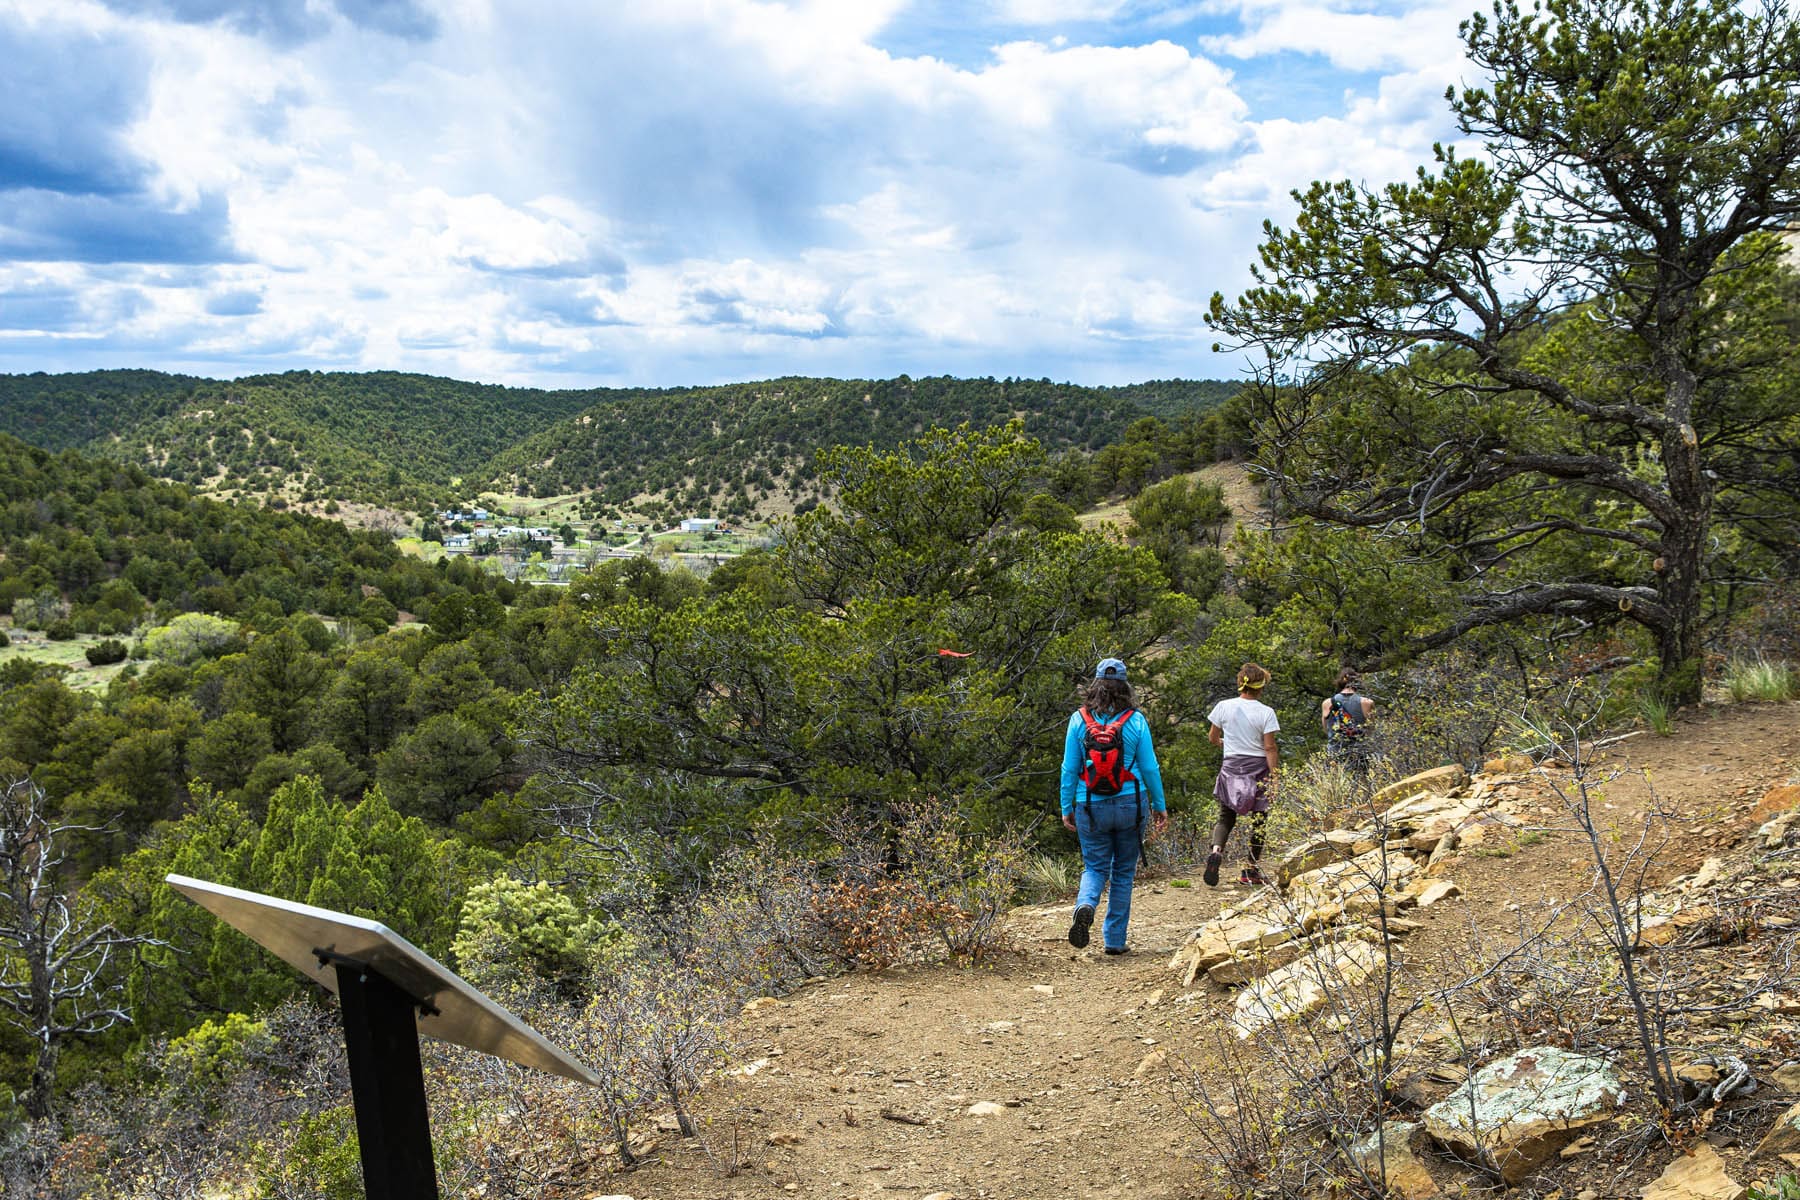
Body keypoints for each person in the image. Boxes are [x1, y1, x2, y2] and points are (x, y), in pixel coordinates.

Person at [1061, 657, 1168, 955]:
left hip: (1089, 805)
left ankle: (1085, 904)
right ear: (1126, 687)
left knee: (1094, 866)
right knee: (1122, 872)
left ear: (1095, 685)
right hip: (1131, 803)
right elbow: (1150, 768)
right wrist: (1160, 805)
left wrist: (1065, 805)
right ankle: (1115, 940)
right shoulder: (1136, 720)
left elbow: (1069, 768)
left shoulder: (1078, 720)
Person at [1204, 662, 1280, 887]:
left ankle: (1217, 851)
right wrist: (1275, 778)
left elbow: (1212, 737)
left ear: (1241, 683)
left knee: (1226, 817)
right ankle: (1250, 870)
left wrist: (1222, 743)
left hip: (1231, 766)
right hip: (1257, 769)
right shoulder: (1266, 712)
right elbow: (1269, 747)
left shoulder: (1223, 706)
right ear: (1261, 686)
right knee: (1260, 820)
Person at [1321, 668, 1376, 779]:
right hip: (1358, 750)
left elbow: (1325, 729)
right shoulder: (1367, 703)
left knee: (1335, 781)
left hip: (1335, 750)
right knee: (1361, 782)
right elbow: (1371, 729)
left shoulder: (1327, 703)